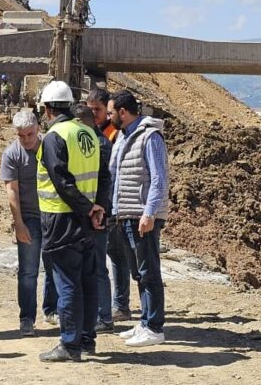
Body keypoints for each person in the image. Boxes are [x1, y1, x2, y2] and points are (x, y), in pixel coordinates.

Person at [35, 81, 107, 363]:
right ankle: (87, 339)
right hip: (86, 219)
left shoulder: (55, 136)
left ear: (47, 109)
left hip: (61, 218)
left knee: (67, 283)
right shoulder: (88, 132)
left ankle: (69, 344)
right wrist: (97, 209)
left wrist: (88, 208)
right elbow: (103, 174)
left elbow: (61, 180)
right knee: (87, 281)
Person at [108, 90, 169, 347]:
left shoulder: (149, 137)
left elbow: (159, 179)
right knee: (138, 273)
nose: (109, 117)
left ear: (123, 112)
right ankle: (145, 322)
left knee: (148, 272)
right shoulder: (124, 136)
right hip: (126, 214)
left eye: (111, 112)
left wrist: (149, 213)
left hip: (141, 215)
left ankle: (154, 327)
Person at [0, 110, 58, 337]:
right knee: (28, 271)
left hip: (53, 214)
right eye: (21, 135)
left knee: (54, 266)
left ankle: (52, 310)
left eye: (30, 134)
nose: (26, 139)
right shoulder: (12, 154)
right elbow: (12, 190)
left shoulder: (51, 147)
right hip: (30, 217)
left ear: (38, 128)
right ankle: (26, 318)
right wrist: (19, 224)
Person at [88, 88, 131, 322]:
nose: (93, 113)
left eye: (98, 109)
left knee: (116, 254)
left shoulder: (113, 134)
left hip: (111, 203)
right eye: (90, 109)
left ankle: (120, 305)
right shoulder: (91, 133)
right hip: (97, 204)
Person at [73, 104, 115, 334]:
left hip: (96, 215)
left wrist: (98, 211)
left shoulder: (98, 144)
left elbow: (104, 181)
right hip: (91, 212)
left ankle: (104, 317)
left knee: (97, 267)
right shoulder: (93, 142)